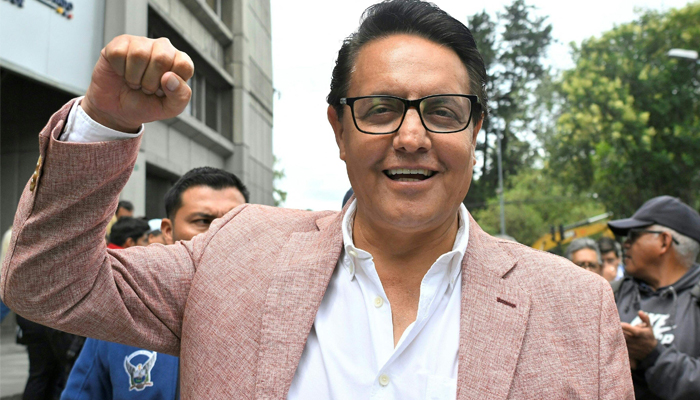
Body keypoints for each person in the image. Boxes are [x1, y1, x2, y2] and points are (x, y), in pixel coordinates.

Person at [1, 1, 632, 398]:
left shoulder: (575, 306)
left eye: (443, 111)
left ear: (476, 131)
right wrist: (105, 122)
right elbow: (44, 283)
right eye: (381, 109)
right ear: (338, 129)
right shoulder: (235, 255)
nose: (411, 138)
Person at [61, 167, 247, 400]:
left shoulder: (278, 321)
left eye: (233, 222)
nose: (220, 233)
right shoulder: (124, 313)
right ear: (168, 231)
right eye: (203, 221)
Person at [608, 195, 700, 400]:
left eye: (634, 235)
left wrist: (653, 355)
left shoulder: (696, 299)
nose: (625, 244)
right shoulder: (612, 294)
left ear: (664, 241)